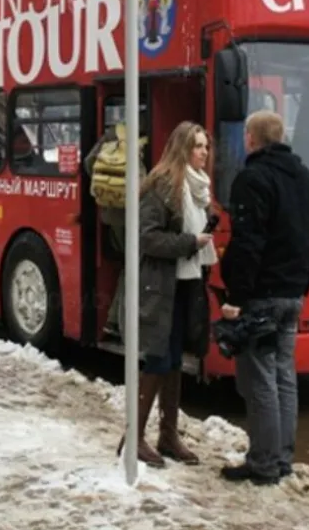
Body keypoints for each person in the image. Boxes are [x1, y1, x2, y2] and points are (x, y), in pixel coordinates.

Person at [218, 110, 309, 485]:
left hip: (261, 297)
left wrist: (236, 295)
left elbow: (248, 243)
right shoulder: (306, 178)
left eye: (246, 133)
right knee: (284, 377)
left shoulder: (252, 179)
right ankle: (281, 458)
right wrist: (302, 285)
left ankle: (263, 463)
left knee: (259, 379)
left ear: (251, 138)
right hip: (292, 294)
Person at [118, 120, 214, 469]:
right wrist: (191, 242)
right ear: (181, 148)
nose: (204, 152)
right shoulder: (162, 184)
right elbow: (147, 237)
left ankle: (168, 435)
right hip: (160, 283)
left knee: (174, 359)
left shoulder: (198, 186)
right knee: (158, 357)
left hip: (184, 281)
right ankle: (134, 437)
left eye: (206, 146)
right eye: (197, 146)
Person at [84, 122, 148, 340]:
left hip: (111, 213)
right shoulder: (150, 134)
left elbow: (89, 162)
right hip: (137, 214)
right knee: (135, 265)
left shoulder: (116, 132)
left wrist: (109, 187)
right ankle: (118, 323)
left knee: (130, 264)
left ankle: (115, 320)